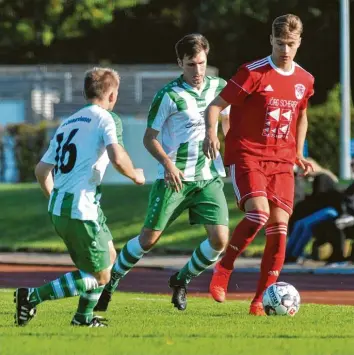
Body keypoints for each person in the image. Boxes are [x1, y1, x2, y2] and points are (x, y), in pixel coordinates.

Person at [94, 33, 230, 312]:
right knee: (149, 239)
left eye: (202, 63)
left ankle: (181, 280)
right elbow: (149, 138)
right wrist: (168, 165)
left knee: (220, 239)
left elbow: (228, 122)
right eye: (191, 64)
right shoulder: (168, 95)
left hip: (208, 177)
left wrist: (228, 143)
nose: (198, 70)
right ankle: (111, 281)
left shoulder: (220, 87)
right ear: (180, 62)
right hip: (175, 178)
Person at [14, 67, 145, 327]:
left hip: (70, 206)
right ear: (111, 95)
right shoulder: (106, 118)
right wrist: (136, 175)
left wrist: (54, 198)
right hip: (81, 209)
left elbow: (41, 170)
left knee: (108, 255)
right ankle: (31, 296)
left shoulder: (68, 122)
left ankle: (83, 318)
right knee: (101, 276)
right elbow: (118, 157)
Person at [203, 14, 314, 315]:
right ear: (271, 41)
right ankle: (224, 268)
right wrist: (211, 133)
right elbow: (215, 106)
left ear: (299, 42)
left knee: (280, 229)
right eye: (280, 43)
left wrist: (299, 152)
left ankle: (260, 299)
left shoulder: (305, 80)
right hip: (248, 154)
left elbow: (301, 115)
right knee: (259, 215)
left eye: (291, 44)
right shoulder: (253, 73)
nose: (285, 50)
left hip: (282, 160)